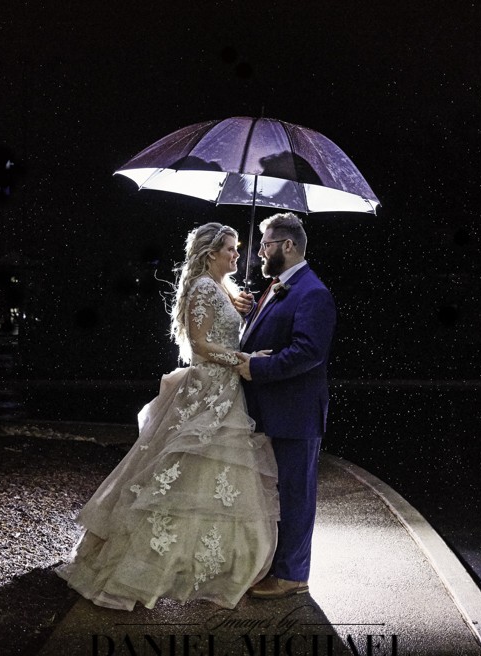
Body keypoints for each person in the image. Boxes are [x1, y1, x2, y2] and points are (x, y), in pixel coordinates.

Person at [57, 223, 279, 611]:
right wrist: (243, 359)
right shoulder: (203, 287)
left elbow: (220, 332)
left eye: (236, 248)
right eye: (230, 248)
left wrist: (237, 308)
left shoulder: (220, 287)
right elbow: (200, 345)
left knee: (212, 478)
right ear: (211, 253)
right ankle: (141, 569)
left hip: (224, 392)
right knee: (180, 473)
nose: (236, 255)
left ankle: (210, 564)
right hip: (207, 391)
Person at [234, 212, 337, 600]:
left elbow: (308, 352)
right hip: (272, 411)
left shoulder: (313, 292)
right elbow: (271, 333)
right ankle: (273, 566)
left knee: (295, 495)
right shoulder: (278, 287)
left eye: (266, 245)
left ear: (288, 246)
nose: (260, 252)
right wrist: (249, 314)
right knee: (274, 494)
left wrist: (256, 368)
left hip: (295, 414)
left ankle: (293, 575)